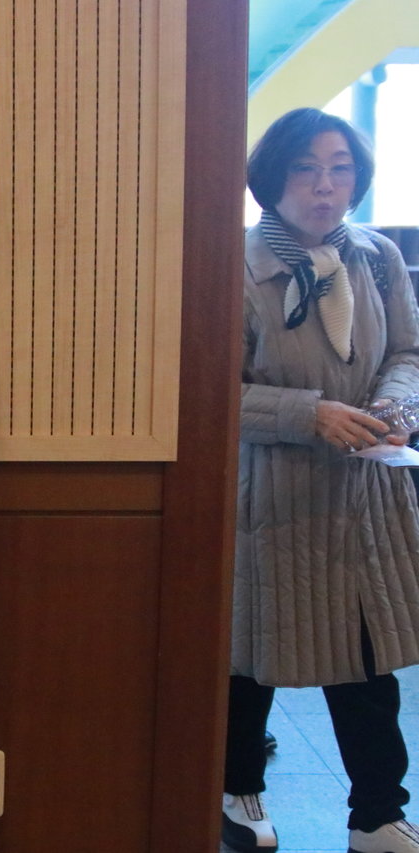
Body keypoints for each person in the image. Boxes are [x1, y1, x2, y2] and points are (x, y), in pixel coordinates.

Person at [225, 107, 419, 853]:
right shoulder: (233, 264)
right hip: (269, 493)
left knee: (367, 658)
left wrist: (395, 406)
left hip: (366, 493)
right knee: (252, 654)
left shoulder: (378, 257)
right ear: (271, 179)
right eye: (305, 168)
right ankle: (238, 792)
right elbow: (207, 389)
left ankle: (377, 814)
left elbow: (407, 352)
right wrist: (310, 414)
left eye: (340, 169)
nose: (324, 185)